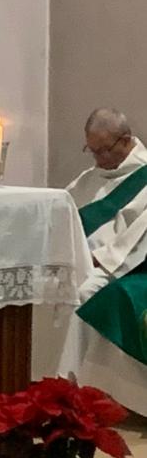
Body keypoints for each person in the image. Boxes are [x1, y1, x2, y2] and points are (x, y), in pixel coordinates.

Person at [63, 107, 147, 419]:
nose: (98, 159)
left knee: (81, 294)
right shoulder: (91, 177)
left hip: (116, 266)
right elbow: (64, 211)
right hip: (78, 259)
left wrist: (99, 262)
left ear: (125, 140)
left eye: (103, 150)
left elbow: (136, 240)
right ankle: (41, 384)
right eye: (92, 150)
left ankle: (74, 391)